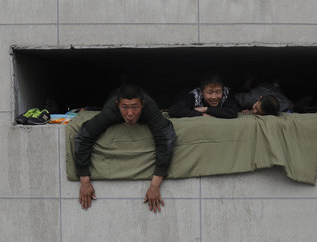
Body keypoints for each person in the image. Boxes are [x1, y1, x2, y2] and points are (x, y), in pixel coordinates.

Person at [73, 84, 176, 213]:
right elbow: (84, 137)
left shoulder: (150, 108)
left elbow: (166, 139)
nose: (130, 113)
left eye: (135, 107)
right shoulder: (111, 110)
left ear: (143, 105)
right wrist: (84, 180)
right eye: (124, 107)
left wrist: (155, 185)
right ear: (117, 105)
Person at [168, 74, 239, 119]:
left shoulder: (226, 93)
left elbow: (232, 112)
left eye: (218, 92)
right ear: (202, 92)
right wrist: (200, 114)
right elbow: (174, 111)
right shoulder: (193, 95)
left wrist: (205, 109)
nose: (214, 97)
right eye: (209, 92)